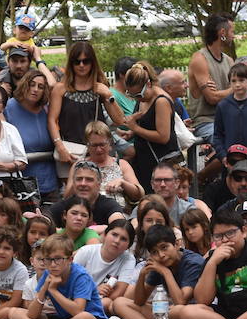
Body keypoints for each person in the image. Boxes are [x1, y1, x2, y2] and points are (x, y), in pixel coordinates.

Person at [7, 232, 107, 319]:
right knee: (14, 312)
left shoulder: (81, 276)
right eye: (48, 259)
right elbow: (32, 314)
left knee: (84, 318)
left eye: (58, 259)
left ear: (70, 259)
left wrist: (53, 290)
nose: (53, 264)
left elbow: (78, 311)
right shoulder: (48, 273)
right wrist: (45, 288)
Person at [110, 225, 205, 319]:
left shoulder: (192, 262)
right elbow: (139, 302)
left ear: (176, 244)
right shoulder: (160, 263)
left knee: (178, 310)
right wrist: (142, 275)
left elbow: (181, 302)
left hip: (194, 312)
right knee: (119, 303)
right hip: (169, 313)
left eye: (164, 247)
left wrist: (165, 272)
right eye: (154, 252)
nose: (161, 255)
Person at [49, 41, 123, 177]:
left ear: (92, 62)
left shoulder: (100, 87)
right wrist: (60, 147)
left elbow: (119, 120)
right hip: (71, 152)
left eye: (86, 61)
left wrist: (108, 95)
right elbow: (52, 120)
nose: (81, 65)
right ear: (71, 63)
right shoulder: (60, 89)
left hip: (99, 152)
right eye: (77, 61)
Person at [121, 61, 177, 192]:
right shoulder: (143, 100)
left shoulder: (161, 101)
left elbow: (163, 136)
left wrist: (135, 128)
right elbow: (147, 125)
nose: (137, 99)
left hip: (161, 162)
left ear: (149, 84)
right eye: (132, 96)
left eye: (139, 95)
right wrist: (132, 133)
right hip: (143, 160)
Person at [6, 69, 59, 201]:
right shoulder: (8, 108)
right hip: (22, 183)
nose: (35, 89)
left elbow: (54, 86)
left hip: (50, 181)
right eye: (32, 84)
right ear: (24, 84)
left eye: (40, 87)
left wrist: (39, 60)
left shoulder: (48, 109)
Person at [186, 12, 236, 141]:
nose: (233, 36)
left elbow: (238, 95)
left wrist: (231, 91)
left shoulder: (229, 60)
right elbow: (212, 98)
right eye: (232, 32)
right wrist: (236, 88)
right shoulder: (200, 59)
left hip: (228, 119)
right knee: (229, 141)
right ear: (222, 33)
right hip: (206, 122)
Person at [74, 219, 138, 316]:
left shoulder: (128, 258)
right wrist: (94, 290)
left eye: (123, 239)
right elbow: (70, 283)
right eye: (114, 235)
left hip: (103, 301)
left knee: (109, 301)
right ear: (105, 235)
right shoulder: (86, 252)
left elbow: (119, 291)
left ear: (128, 246)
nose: (117, 241)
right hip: (78, 298)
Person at [212, 62, 247, 163]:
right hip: (230, 161)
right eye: (233, 81)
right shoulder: (223, 106)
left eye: (241, 80)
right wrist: (223, 156)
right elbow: (217, 135)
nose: (237, 84)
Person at [48, 160, 125, 228]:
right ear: (73, 183)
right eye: (79, 179)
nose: (83, 184)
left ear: (99, 183)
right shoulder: (63, 205)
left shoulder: (109, 205)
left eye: (89, 180)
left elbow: (119, 225)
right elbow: (45, 220)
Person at [83, 121, 142, 206]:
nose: (99, 149)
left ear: (110, 143)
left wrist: (122, 183)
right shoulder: (80, 166)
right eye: (94, 145)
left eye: (102, 144)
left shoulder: (121, 164)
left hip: (119, 213)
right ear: (87, 145)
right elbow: (68, 197)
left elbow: (139, 194)